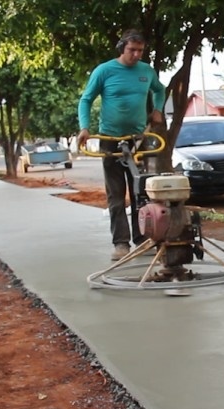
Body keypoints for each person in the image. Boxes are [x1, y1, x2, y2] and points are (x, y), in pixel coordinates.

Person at [77, 29, 166, 260]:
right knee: (116, 195)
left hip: (138, 139)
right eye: (132, 50)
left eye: (140, 51)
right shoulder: (104, 71)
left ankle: (143, 239)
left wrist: (158, 109)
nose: (136, 55)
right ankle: (121, 244)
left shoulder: (146, 71)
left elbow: (160, 90)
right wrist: (84, 127)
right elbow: (86, 99)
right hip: (111, 140)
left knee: (140, 191)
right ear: (121, 48)